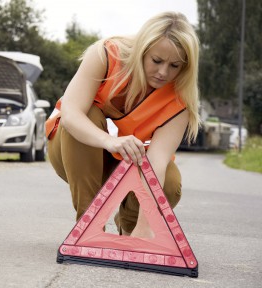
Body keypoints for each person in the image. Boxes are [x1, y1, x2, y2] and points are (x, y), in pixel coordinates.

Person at [45, 12, 200, 239]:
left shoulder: (180, 99)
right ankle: (89, 225)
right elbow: (71, 115)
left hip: (126, 167)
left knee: (171, 183)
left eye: (174, 65)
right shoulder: (106, 54)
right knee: (86, 112)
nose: (163, 72)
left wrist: (146, 225)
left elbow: (157, 160)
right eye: (156, 61)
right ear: (142, 51)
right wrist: (111, 141)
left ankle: (129, 227)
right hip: (73, 153)